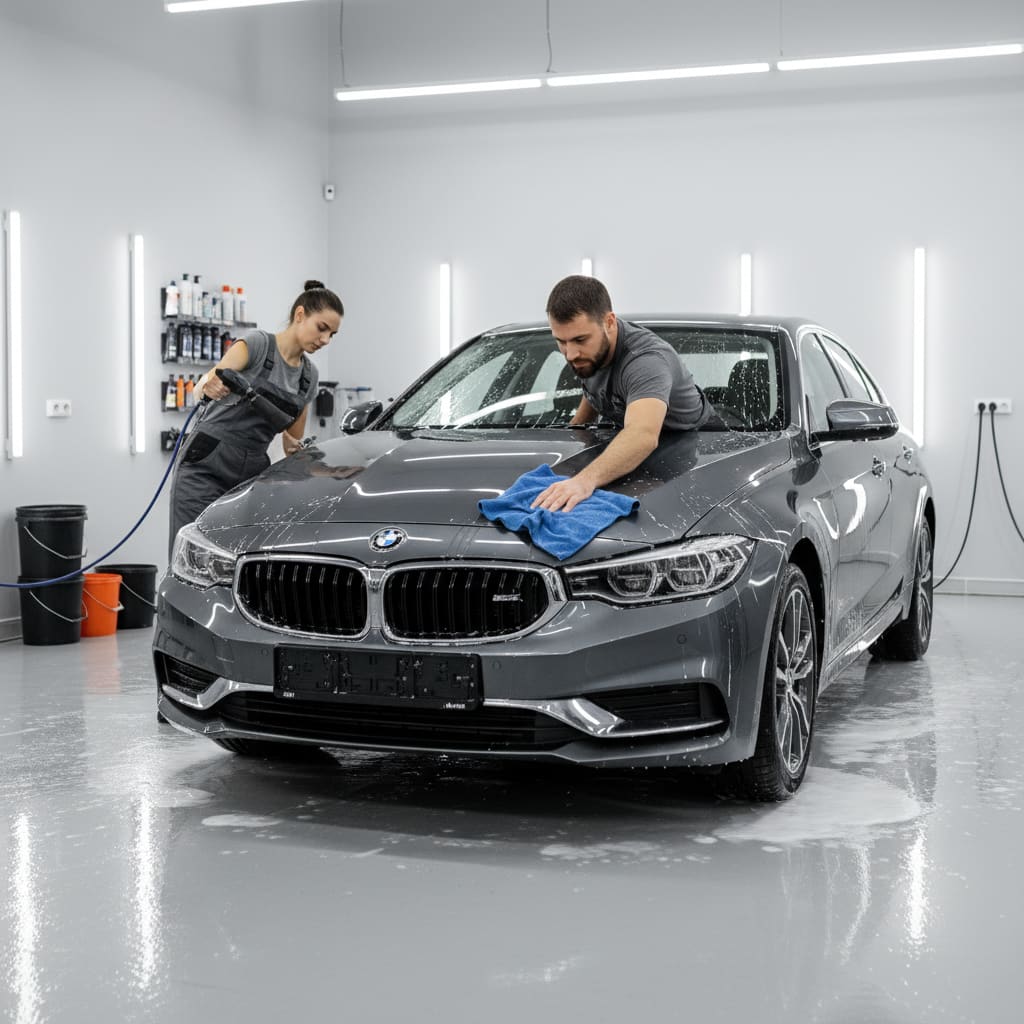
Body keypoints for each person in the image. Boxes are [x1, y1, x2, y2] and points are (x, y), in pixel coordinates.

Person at [168, 279, 343, 554]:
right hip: (206, 464)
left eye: (332, 334)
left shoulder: (309, 377)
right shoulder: (258, 345)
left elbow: (290, 443)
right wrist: (208, 385)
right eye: (321, 328)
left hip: (251, 474)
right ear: (300, 315)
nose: (325, 340)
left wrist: (329, 469)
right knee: (190, 555)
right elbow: (207, 383)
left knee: (238, 560)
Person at [533, 274, 709, 513]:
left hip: (695, 449)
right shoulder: (589, 353)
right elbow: (597, 387)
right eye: (561, 341)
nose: (571, 354)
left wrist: (583, 481)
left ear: (609, 322)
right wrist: (576, 428)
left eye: (580, 339)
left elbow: (642, 435)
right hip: (630, 444)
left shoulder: (645, 361)